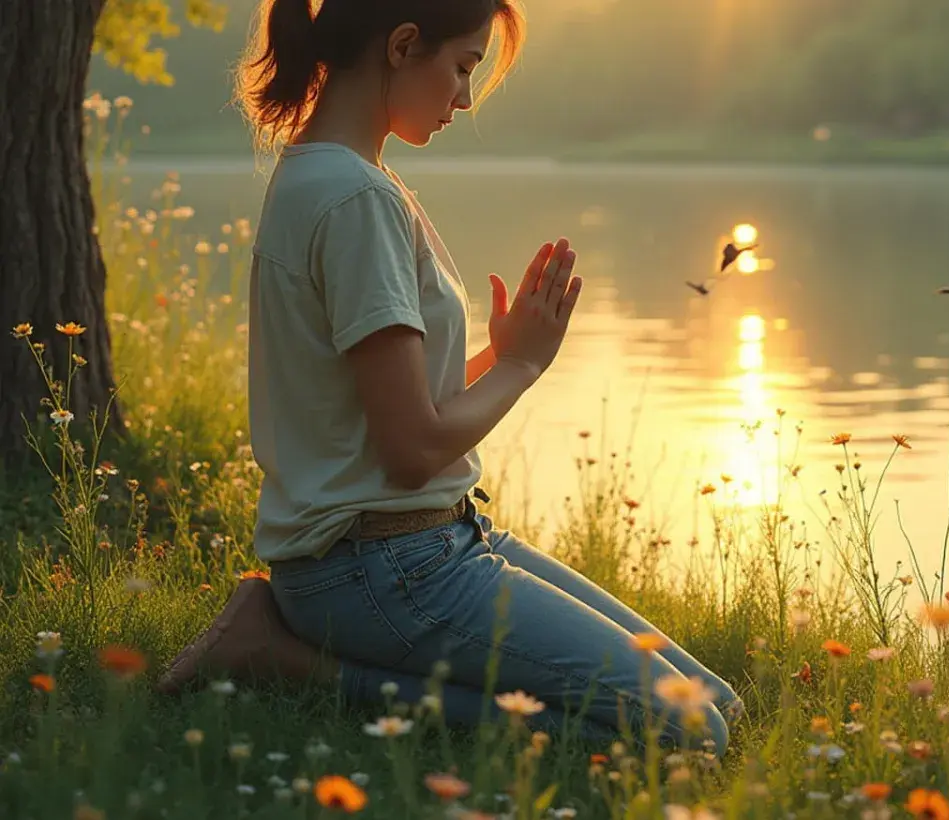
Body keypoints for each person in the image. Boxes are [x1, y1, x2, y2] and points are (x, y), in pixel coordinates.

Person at [156, 0, 741, 755]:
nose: (466, 100)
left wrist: (500, 353)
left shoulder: (337, 177)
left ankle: (279, 639)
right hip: (379, 568)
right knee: (689, 733)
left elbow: (397, 403)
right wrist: (525, 366)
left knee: (715, 701)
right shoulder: (354, 197)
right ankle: (282, 657)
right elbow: (412, 448)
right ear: (403, 45)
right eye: (463, 67)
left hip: (427, 543)